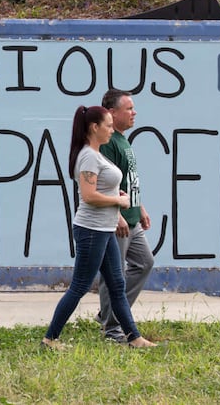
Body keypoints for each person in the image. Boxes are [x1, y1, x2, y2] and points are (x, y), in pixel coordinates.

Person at [41, 105, 155, 350]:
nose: (111, 130)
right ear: (94, 127)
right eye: (108, 125)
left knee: (117, 284)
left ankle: (134, 338)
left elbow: (100, 187)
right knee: (80, 286)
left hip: (104, 229)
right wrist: (119, 201)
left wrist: (116, 192)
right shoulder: (88, 156)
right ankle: (50, 339)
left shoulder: (96, 154)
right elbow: (89, 195)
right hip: (91, 230)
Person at [96, 89, 154, 344]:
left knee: (144, 263)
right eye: (128, 108)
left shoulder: (122, 139)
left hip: (131, 218)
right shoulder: (108, 143)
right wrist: (116, 214)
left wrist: (139, 207)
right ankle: (112, 330)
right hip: (117, 221)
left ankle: (109, 313)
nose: (134, 112)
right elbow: (104, 183)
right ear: (112, 113)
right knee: (114, 274)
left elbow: (128, 182)